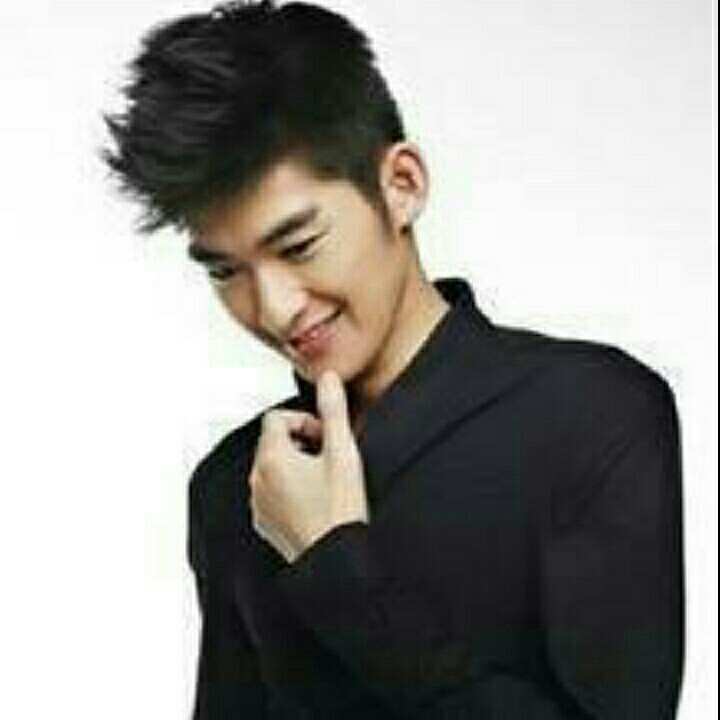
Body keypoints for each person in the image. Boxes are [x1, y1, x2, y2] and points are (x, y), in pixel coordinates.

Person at [100, 1, 685, 717]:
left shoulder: (592, 415)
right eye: (226, 271)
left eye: (298, 245)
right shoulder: (237, 485)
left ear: (401, 185)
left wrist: (334, 565)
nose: (274, 308)